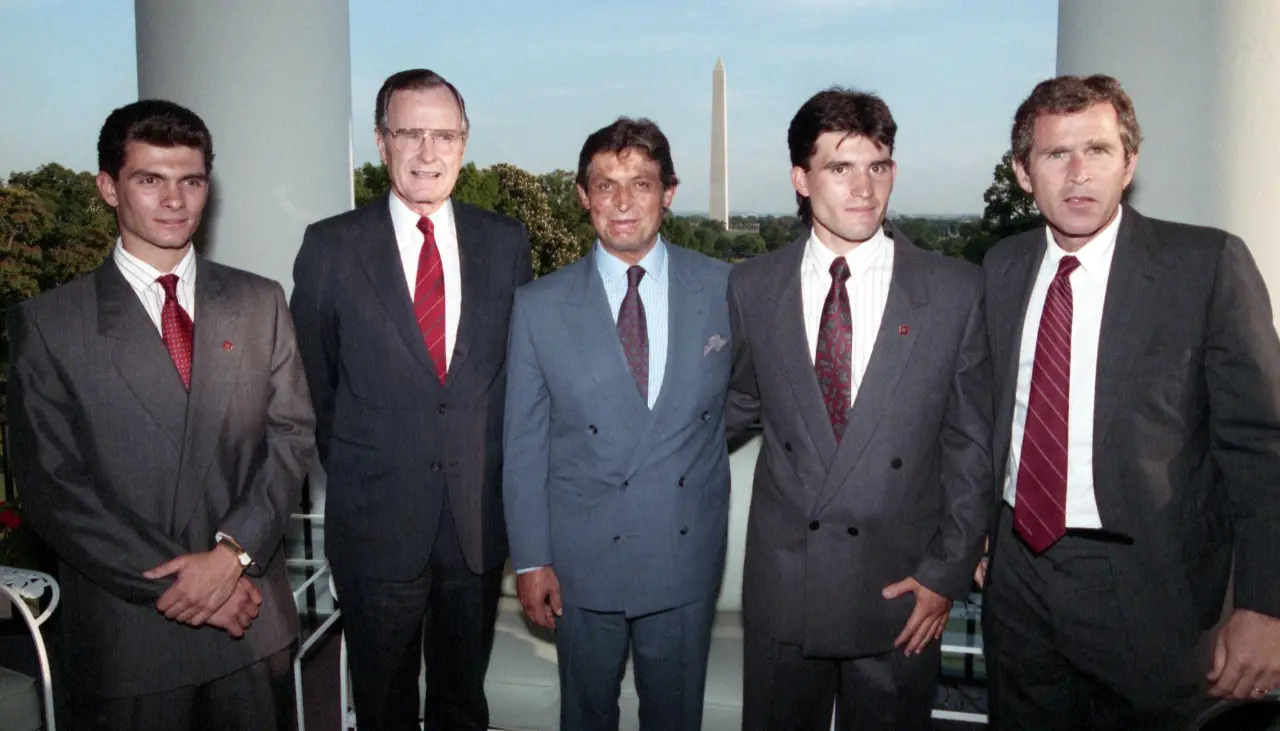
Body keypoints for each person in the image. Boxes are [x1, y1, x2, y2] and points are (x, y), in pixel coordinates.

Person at [981, 73, 1280, 730]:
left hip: (1155, 586)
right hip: (1018, 579)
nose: (1079, 172)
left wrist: (1266, 606)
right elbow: (986, 417)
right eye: (1057, 154)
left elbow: (1262, 448)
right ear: (1024, 172)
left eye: (1100, 149)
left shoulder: (1206, 265)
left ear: (1130, 162)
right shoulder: (1002, 266)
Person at [7, 99, 315, 731]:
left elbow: (290, 440)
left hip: (249, 626)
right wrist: (190, 588)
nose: (174, 199)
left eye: (191, 180)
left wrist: (228, 559)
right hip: (131, 638)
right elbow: (53, 489)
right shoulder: (51, 324)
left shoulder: (260, 302)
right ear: (108, 188)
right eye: (150, 179)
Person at [724, 88, 992, 731]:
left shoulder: (954, 290)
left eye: (878, 165)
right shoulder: (752, 286)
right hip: (787, 589)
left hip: (901, 594)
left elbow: (971, 443)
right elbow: (733, 406)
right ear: (800, 179)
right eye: (840, 168)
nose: (863, 187)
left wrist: (946, 572)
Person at [290, 68, 532, 731]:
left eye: (444, 135)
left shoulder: (505, 242)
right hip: (376, 524)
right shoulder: (331, 247)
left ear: (464, 142)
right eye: (410, 133)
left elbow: (511, 376)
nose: (429, 153)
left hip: (475, 524)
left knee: (462, 702)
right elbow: (312, 386)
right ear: (380, 140)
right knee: (384, 703)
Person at [503, 117, 732, 731]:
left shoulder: (723, 289)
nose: (623, 202)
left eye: (641, 183)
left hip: (682, 553)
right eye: (605, 185)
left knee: (675, 716)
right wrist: (530, 561)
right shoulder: (538, 306)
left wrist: (683, 441)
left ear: (669, 192)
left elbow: (750, 399)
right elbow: (522, 444)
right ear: (583, 196)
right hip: (580, 564)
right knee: (584, 715)